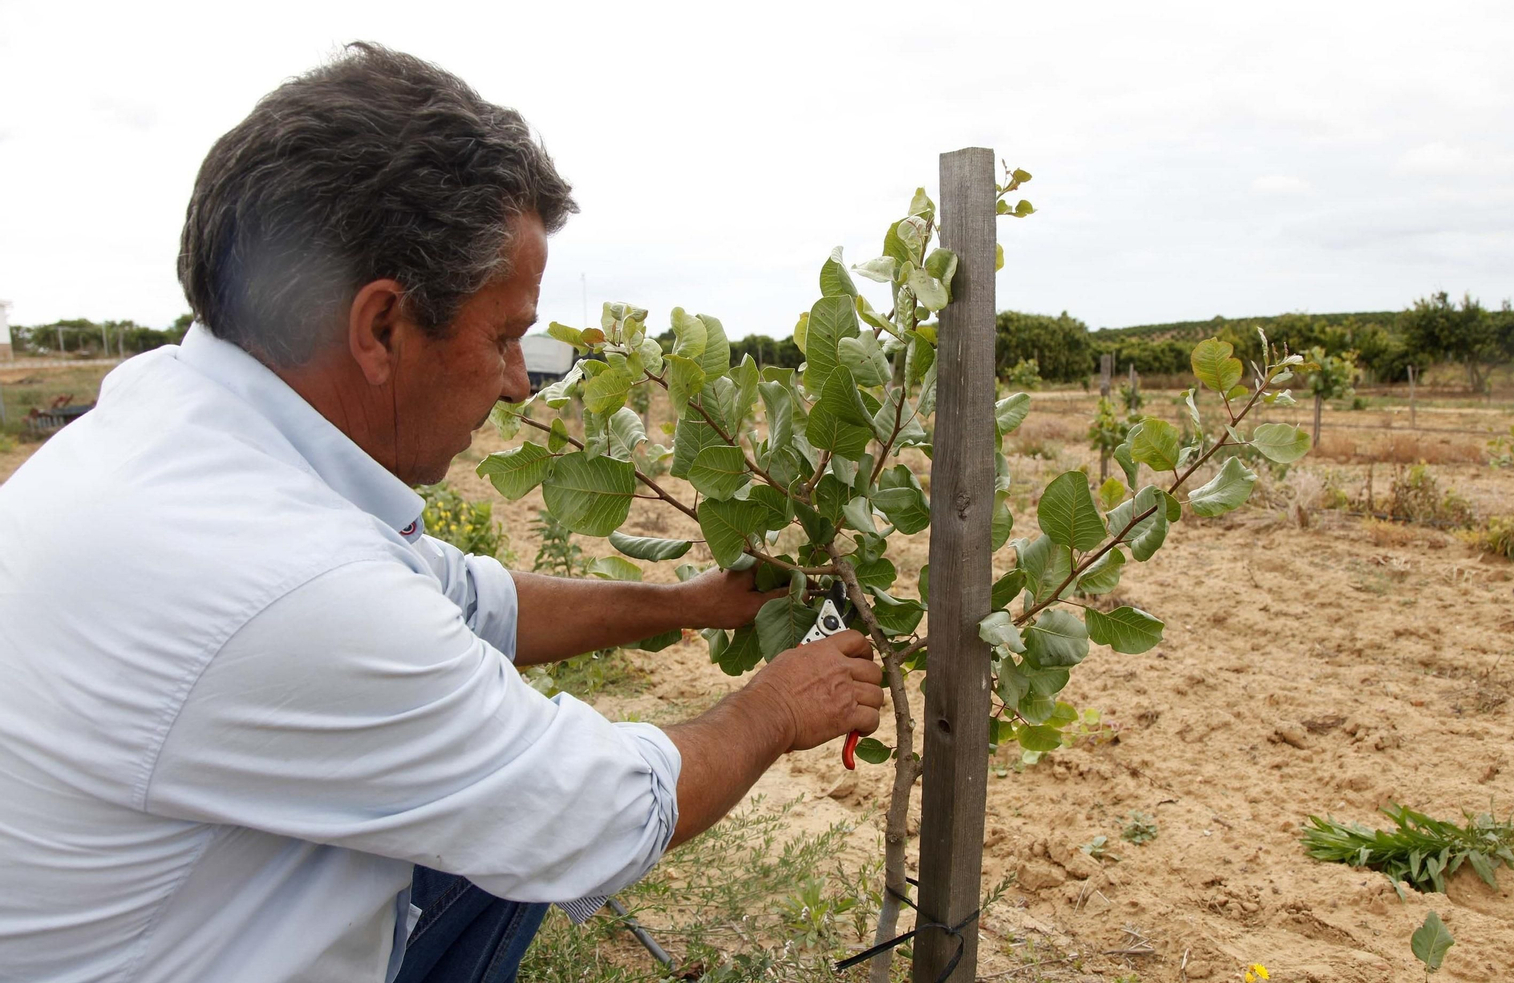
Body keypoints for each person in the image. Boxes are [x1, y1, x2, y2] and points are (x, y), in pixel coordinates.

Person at [0, 42, 883, 983]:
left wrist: (690, 601)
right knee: (520, 819)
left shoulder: (175, 425)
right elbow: (592, 814)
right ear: (382, 326)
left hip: (166, 907)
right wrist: (779, 705)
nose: (514, 383)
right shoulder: (291, 585)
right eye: (504, 336)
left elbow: (467, 597)